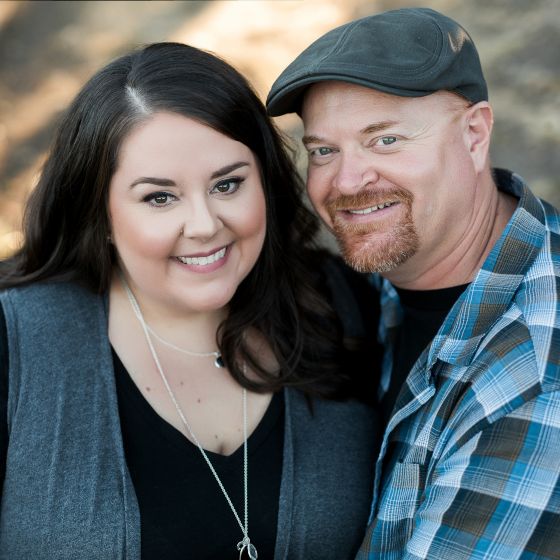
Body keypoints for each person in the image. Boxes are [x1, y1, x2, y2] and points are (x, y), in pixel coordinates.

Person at [0, 42, 382, 559]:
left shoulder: (343, 301)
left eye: (228, 184)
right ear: (99, 213)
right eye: (159, 197)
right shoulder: (15, 340)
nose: (204, 225)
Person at [267, 7, 560, 559]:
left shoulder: (532, 375)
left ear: (474, 134)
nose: (346, 181)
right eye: (323, 150)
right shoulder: (380, 282)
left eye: (385, 140)